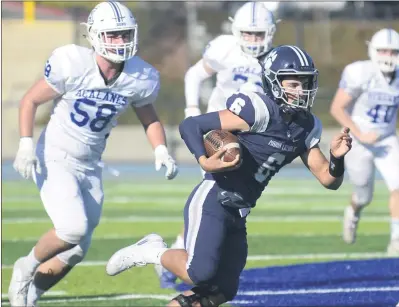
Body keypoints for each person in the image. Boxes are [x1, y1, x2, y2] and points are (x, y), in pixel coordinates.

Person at [105, 45, 353, 307]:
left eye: (306, 83)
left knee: (222, 289)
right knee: (199, 272)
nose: (301, 91)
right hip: (215, 197)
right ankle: (151, 251)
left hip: (240, 209)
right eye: (293, 83)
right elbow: (192, 125)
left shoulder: (307, 125)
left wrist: (337, 158)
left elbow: (329, 179)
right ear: (274, 81)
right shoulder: (258, 108)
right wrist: (204, 161)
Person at [8, 2, 178, 306]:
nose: (120, 41)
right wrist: (25, 144)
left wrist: (161, 148)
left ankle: (31, 295)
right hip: (56, 155)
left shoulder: (140, 76)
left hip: (89, 164)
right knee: (72, 228)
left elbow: (148, 116)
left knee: (75, 249)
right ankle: (25, 268)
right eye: (112, 35)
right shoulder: (72, 62)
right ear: (96, 35)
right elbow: (30, 100)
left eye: (124, 34)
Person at [157, 1, 277, 289]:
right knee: (218, 197)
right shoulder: (225, 48)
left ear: (271, 33)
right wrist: (190, 111)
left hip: (251, 135)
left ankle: (180, 250)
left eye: (258, 34)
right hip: (219, 133)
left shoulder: (276, 59)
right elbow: (194, 75)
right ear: (236, 30)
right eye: (247, 33)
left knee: (231, 201)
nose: (252, 40)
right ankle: (182, 259)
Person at [330, 28, 399, 256]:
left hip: (387, 139)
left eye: (393, 51)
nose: (388, 56)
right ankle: (353, 211)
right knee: (364, 195)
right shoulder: (360, 72)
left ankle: (396, 240)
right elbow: (337, 108)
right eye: (383, 51)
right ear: (373, 51)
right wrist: (360, 133)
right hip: (359, 141)